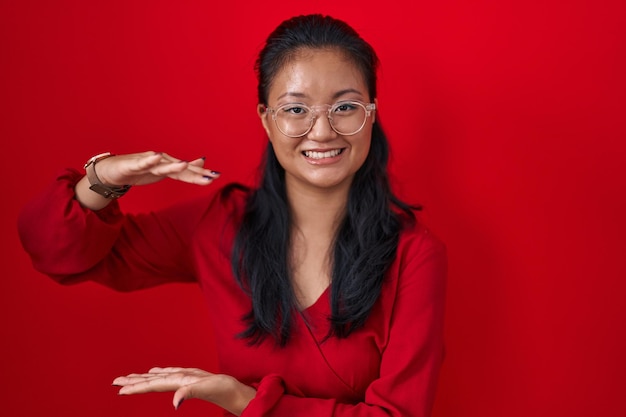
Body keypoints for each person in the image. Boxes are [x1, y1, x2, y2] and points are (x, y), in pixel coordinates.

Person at [18, 13, 447, 417]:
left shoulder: (414, 253)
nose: (322, 131)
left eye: (345, 107)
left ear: (371, 112)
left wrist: (249, 403)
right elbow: (58, 251)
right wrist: (103, 178)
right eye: (296, 110)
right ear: (266, 119)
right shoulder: (221, 224)